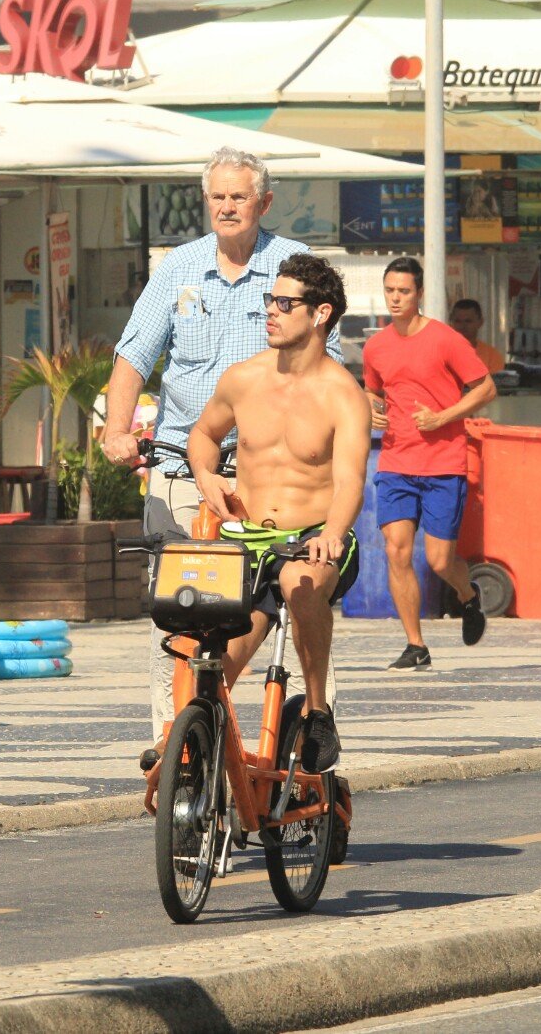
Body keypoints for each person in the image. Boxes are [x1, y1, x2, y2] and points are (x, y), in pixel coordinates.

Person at [102, 147, 343, 761]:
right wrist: (116, 430)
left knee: (293, 598)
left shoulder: (291, 273)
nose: (228, 207)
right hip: (186, 469)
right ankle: (177, 748)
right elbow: (133, 356)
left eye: (240, 197)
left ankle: (311, 735)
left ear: (263, 203)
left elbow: (327, 370)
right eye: (218, 197)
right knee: (178, 614)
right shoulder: (177, 268)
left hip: (273, 477)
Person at [187, 254, 369, 772]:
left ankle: (316, 711)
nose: (271, 311)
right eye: (270, 300)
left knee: (299, 584)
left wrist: (333, 533)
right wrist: (207, 476)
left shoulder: (343, 397)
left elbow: (351, 480)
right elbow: (203, 435)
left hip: (314, 537)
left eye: (285, 303)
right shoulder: (243, 378)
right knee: (216, 665)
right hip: (248, 540)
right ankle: (203, 770)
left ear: (320, 313)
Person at [363, 257, 496, 672]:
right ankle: (415, 644)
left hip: (443, 463)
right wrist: (372, 410)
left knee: (440, 561)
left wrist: (443, 417)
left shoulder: (445, 339)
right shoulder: (376, 346)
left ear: (419, 294)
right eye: (390, 291)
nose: (396, 298)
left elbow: (486, 387)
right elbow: (372, 392)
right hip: (396, 461)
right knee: (396, 551)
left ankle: (468, 595)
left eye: (404, 291)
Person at [449, 298, 505, 375]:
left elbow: (495, 385)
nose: (462, 326)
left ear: (480, 322)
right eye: (458, 321)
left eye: (468, 321)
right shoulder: (440, 353)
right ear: (451, 322)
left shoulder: (492, 356)